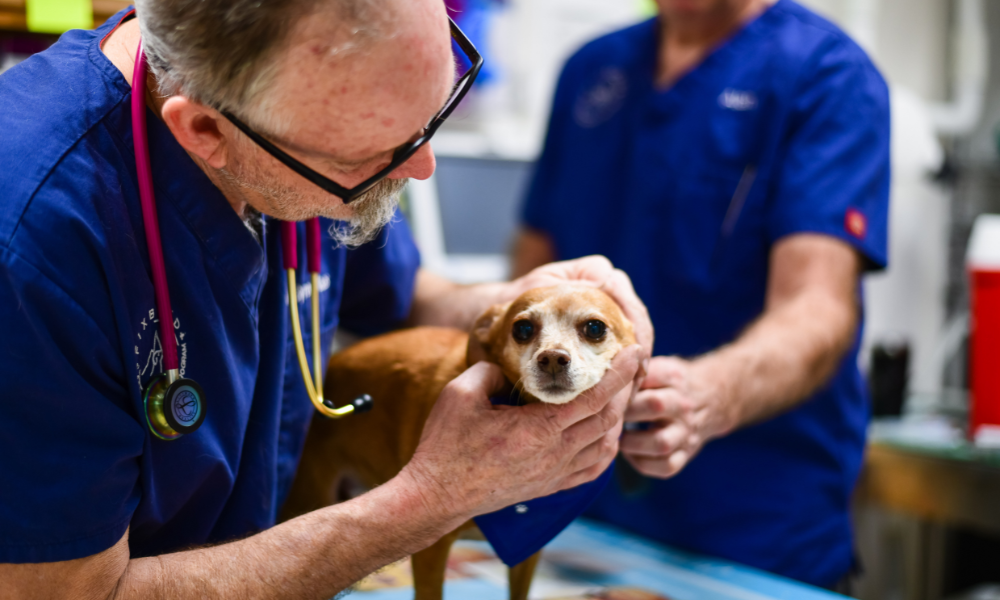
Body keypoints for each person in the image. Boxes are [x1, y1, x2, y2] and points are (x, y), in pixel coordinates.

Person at [0, 1, 653, 597]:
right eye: (371, 153)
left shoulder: (306, 127)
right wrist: (426, 502)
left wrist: (519, 305)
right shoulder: (34, 244)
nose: (420, 166)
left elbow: (408, 297)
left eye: (430, 116)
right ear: (206, 132)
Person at [513, 0, 889, 590]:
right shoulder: (592, 71)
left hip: (749, 521)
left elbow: (818, 307)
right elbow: (532, 274)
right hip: (576, 508)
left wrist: (708, 395)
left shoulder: (825, 74)